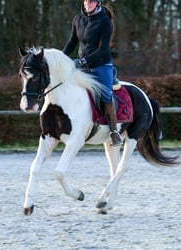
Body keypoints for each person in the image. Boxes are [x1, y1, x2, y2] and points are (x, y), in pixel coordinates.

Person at [62, 0, 123, 146]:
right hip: (82, 64)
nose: (87, 4)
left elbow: (102, 49)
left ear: (98, 3)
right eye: (86, 2)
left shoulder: (105, 22)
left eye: (91, 2)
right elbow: (72, 43)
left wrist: (83, 61)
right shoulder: (78, 19)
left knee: (106, 95)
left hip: (101, 64)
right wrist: (61, 57)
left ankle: (114, 132)